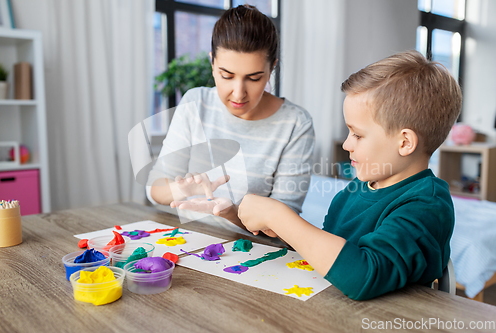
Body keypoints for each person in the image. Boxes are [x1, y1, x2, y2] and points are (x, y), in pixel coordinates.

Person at [238, 50, 462, 300]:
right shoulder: (356, 190)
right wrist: (279, 228)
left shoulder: (427, 205)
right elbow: (328, 254)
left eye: (357, 134)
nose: (346, 144)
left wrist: (277, 215)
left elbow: (364, 275)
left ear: (405, 142)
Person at [146, 5, 315, 234]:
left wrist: (230, 213)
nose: (238, 93)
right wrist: (184, 189)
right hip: (186, 241)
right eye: (226, 75)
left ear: (272, 68)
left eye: (254, 78)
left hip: (252, 254)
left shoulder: (295, 124)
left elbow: (283, 224)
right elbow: (154, 189)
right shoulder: (195, 103)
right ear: (212, 63)